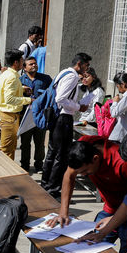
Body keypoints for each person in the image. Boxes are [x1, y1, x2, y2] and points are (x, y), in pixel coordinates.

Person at [45, 137, 127, 252]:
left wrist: (113, 219)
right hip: (110, 208)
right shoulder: (82, 146)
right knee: (91, 246)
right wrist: (63, 212)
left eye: (85, 171)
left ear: (95, 158)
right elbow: (69, 175)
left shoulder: (123, 163)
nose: (82, 175)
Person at [40, 52, 92, 197]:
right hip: (63, 119)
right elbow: (61, 98)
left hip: (58, 118)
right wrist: (78, 107)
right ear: (79, 64)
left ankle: (45, 185)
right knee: (61, 156)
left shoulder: (65, 72)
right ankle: (52, 190)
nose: (87, 69)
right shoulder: (72, 76)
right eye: (86, 65)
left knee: (52, 153)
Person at [0, 49, 32, 160]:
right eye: (22, 60)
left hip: (8, 115)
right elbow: (9, 99)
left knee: (11, 148)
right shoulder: (11, 76)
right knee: (7, 150)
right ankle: (5, 175)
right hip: (8, 116)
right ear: (16, 62)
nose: (23, 62)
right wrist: (29, 100)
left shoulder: (6, 74)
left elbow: (6, 90)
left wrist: (21, 89)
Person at [19, 56, 51, 172]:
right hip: (25, 115)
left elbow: (51, 94)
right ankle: (25, 165)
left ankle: (39, 164)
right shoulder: (20, 80)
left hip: (40, 116)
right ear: (25, 68)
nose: (34, 65)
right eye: (31, 64)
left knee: (40, 142)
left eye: (35, 64)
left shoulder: (45, 79)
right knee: (25, 142)